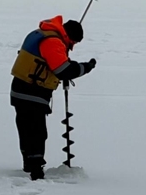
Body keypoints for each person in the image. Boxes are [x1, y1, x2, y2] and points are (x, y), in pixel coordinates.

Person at [10, 15, 96, 180]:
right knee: (36, 131)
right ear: (69, 36)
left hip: (20, 90)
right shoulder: (53, 41)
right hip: (32, 93)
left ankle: (29, 164)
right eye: (74, 43)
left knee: (26, 129)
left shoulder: (42, 33)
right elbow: (63, 71)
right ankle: (36, 171)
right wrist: (85, 67)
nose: (72, 46)